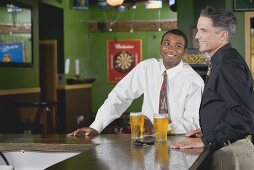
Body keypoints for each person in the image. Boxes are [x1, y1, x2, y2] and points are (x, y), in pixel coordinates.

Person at [68, 29, 204, 137]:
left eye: (178, 46)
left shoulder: (194, 81)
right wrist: (96, 126)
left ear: (184, 52)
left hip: (179, 141)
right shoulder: (146, 68)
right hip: (146, 141)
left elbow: (193, 121)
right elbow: (119, 96)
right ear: (161, 46)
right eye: (167, 43)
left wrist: (159, 128)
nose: (171, 49)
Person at [171, 6, 254, 169]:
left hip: (232, 153)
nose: (197, 35)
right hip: (227, 148)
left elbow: (244, 115)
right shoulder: (221, 61)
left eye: (203, 30)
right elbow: (226, 106)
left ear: (222, 35)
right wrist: (210, 130)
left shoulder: (228, 65)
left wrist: (207, 140)